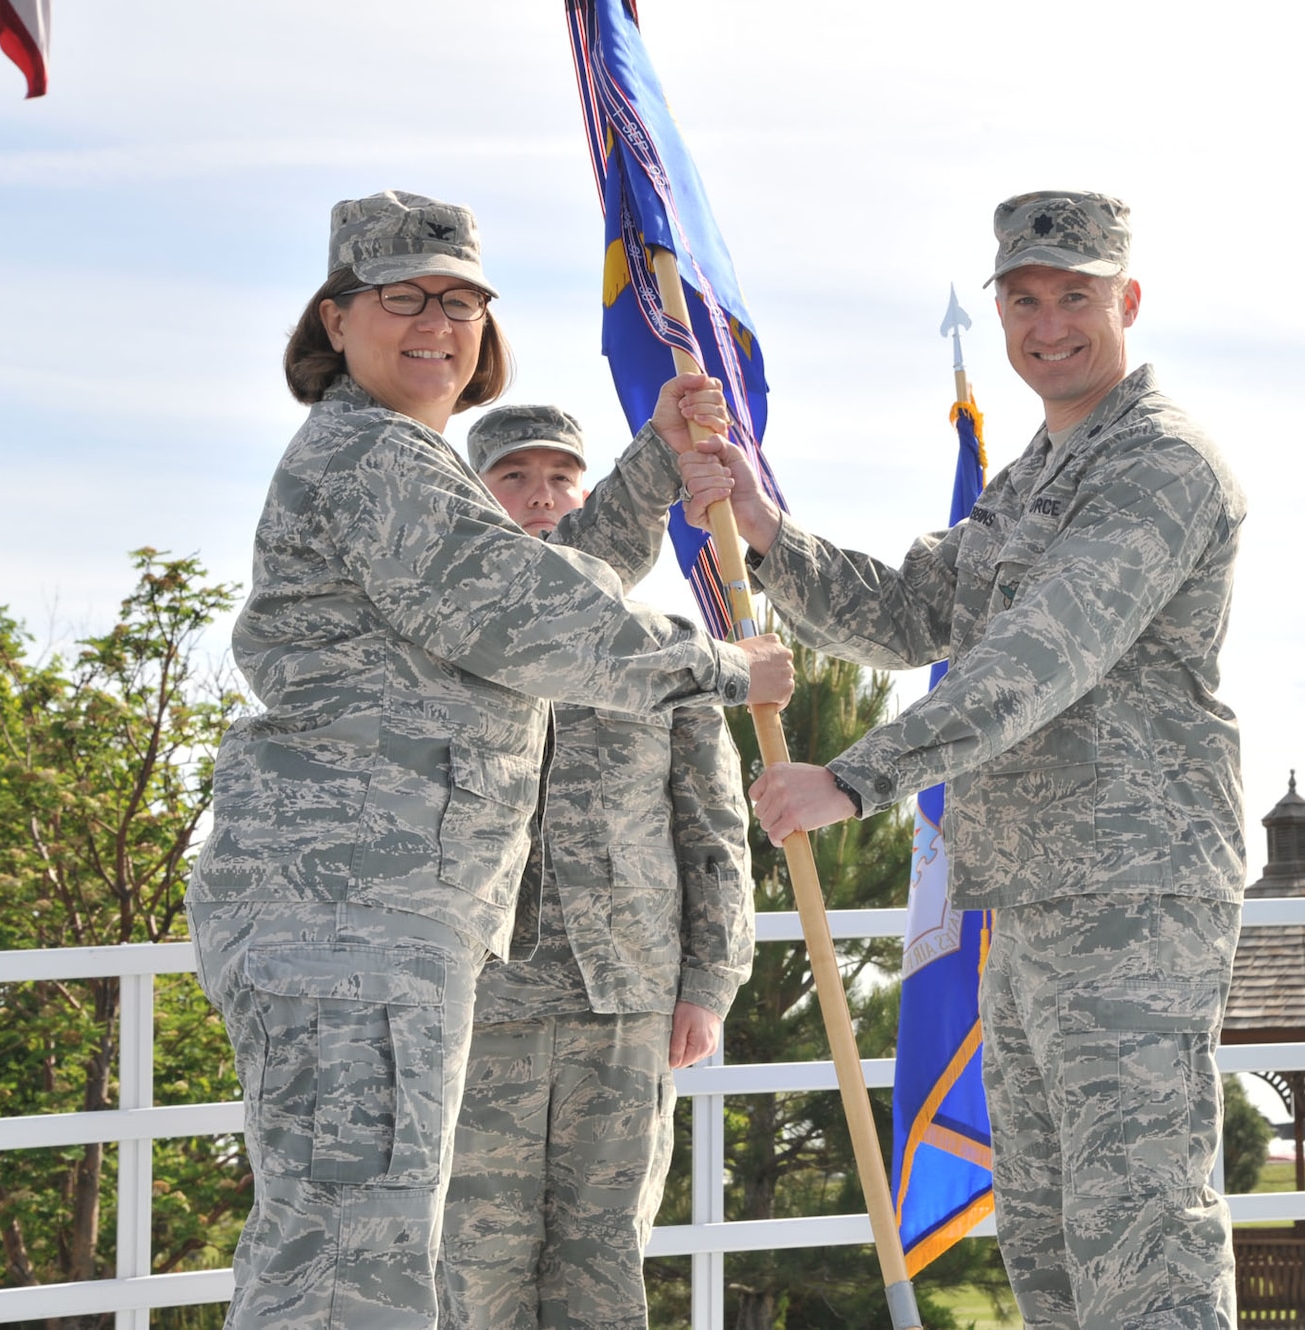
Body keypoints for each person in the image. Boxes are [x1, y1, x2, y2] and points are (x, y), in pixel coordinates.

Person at [185, 190, 792, 1330]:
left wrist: (658, 461)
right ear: (334, 321)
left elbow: (547, 576)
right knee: (348, 1258)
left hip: (386, 911)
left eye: (461, 301)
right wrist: (722, 666)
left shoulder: (409, 464)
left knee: (366, 1241)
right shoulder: (373, 458)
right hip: (349, 912)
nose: (437, 323)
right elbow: (534, 617)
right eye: (402, 297)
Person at [679, 190, 1247, 1328]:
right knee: (1042, 1225)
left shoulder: (1159, 463)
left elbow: (1044, 655)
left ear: (1125, 300)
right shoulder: (1033, 470)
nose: (1046, 325)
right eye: (1022, 299)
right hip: (1029, 888)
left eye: (1073, 297)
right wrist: (767, 529)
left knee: (1137, 1220)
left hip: (1130, 890)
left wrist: (852, 778)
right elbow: (908, 614)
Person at [437, 405, 753, 1330]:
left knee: (604, 1269)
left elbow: (712, 828)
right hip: (482, 1004)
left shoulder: (669, 651)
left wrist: (710, 980)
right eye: (515, 479)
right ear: (475, 496)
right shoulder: (449, 635)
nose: (543, 499)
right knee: (476, 1269)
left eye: (561, 480)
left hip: (629, 1000)